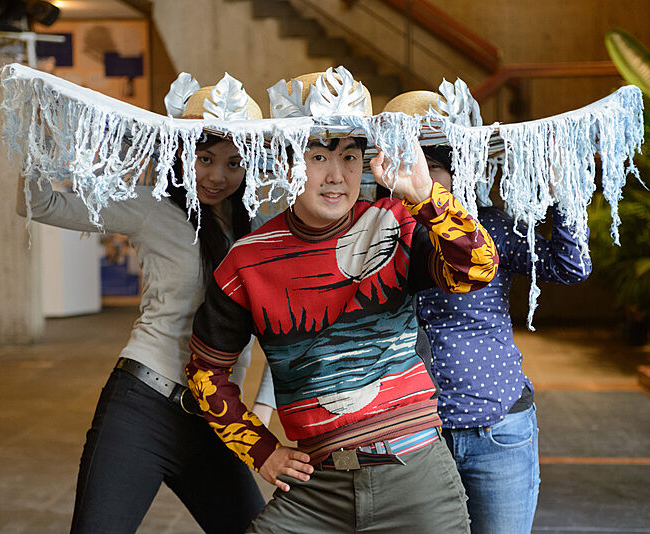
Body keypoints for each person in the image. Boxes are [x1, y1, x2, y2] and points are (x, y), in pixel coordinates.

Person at [184, 68, 499, 533]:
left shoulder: (394, 223)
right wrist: (262, 450)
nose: (337, 176)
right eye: (318, 156)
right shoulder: (246, 262)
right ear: (289, 161)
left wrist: (426, 198)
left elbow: (478, 268)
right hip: (315, 491)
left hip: (416, 479)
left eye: (350, 157)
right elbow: (205, 372)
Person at [16, 75, 275, 534]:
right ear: (183, 153)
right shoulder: (151, 208)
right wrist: (39, 136)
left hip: (217, 419)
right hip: (141, 408)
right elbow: (38, 203)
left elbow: (287, 322)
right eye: (205, 158)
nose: (217, 175)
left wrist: (263, 412)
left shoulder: (261, 229)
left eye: (233, 162)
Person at [415, 142, 592, 533]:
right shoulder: (379, 232)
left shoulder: (489, 226)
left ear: (457, 173)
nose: (422, 175)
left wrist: (564, 191)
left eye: (432, 166)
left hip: (498, 431)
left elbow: (571, 266)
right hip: (416, 440)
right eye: (411, 163)